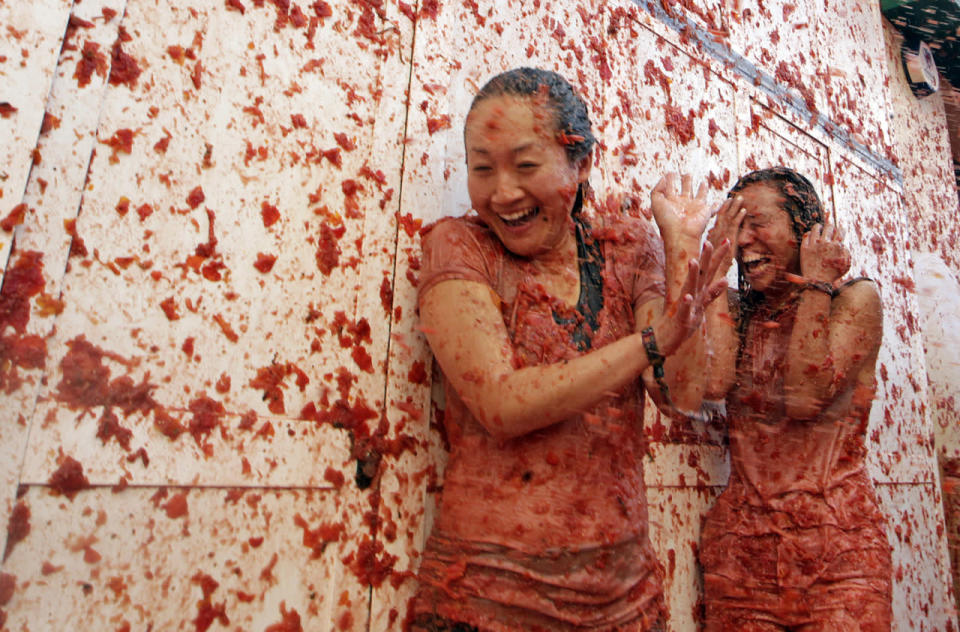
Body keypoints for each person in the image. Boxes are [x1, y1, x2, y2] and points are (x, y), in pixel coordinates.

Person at [409, 67, 728, 631]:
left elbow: (680, 389)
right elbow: (501, 405)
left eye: (525, 166)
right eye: (482, 169)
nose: (503, 192)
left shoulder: (626, 251)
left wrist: (680, 248)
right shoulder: (458, 247)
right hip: (489, 600)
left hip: (625, 600)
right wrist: (650, 342)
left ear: (581, 165)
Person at [699, 167, 892, 631]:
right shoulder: (740, 309)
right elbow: (713, 383)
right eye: (734, 224)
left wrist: (818, 283)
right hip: (744, 556)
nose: (743, 239)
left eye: (757, 222)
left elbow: (805, 398)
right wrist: (714, 267)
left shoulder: (856, 298)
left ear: (805, 231)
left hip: (838, 555)